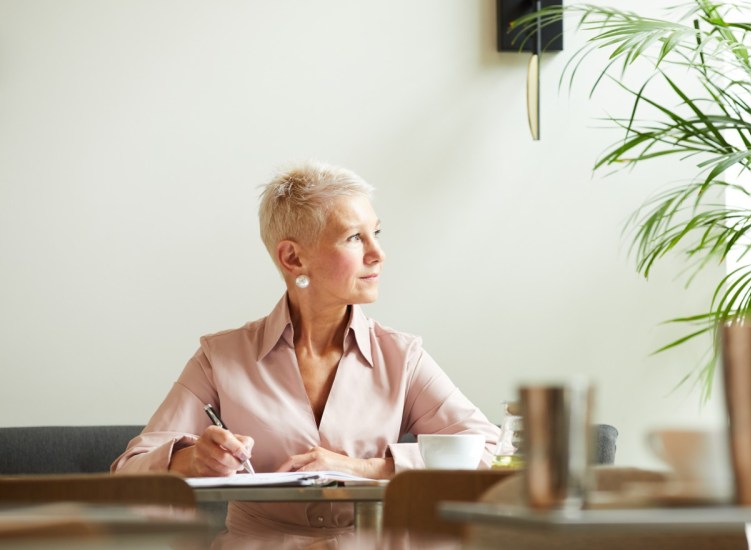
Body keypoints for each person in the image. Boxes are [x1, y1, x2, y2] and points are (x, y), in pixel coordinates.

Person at [112, 161, 500, 544]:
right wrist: (191, 460)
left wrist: (365, 468)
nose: (378, 253)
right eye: (354, 238)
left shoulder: (402, 356)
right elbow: (129, 472)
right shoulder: (220, 357)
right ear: (293, 259)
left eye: (376, 233)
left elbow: (491, 450)